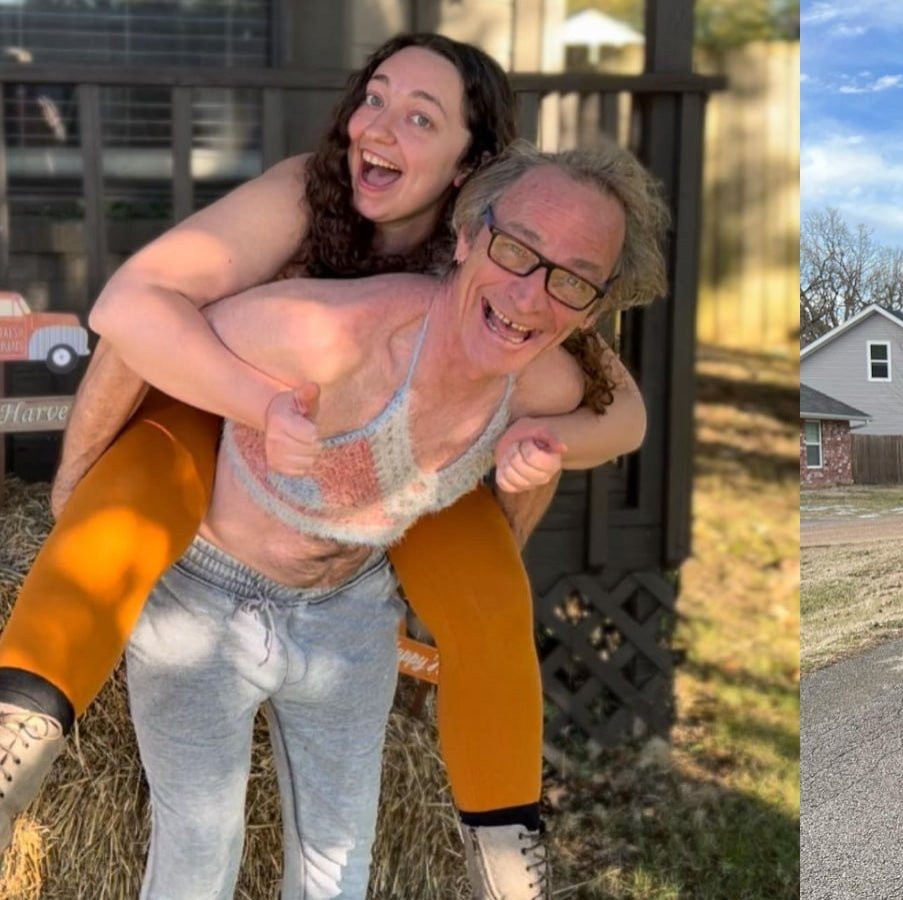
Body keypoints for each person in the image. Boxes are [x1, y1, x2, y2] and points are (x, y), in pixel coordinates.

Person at [0, 35, 643, 899]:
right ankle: (23, 722)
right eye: (373, 97)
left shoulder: (523, 266)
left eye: (420, 116)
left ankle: (502, 841)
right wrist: (77, 487)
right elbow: (135, 320)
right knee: (137, 495)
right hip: (232, 414)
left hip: (388, 476)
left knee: (484, 585)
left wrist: (537, 457)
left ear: (472, 169)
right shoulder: (310, 199)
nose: (375, 126)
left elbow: (612, 407)